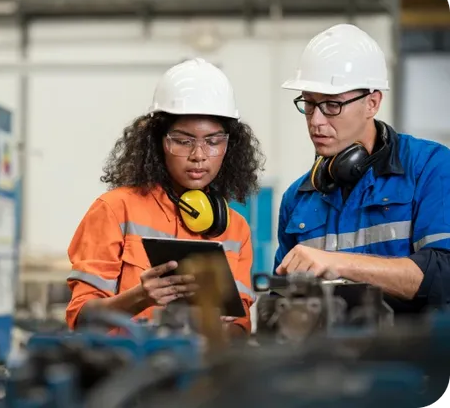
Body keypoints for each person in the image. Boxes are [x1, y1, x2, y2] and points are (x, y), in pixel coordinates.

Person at [65, 58, 264, 336]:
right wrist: (140, 296)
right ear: (158, 142)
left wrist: (215, 329)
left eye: (213, 141)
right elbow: (81, 319)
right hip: (127, 371)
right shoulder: (115, 210)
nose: (199, 155)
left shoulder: (235, 228)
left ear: (230, 145)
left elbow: (241, 328)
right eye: (183, 141)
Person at [274, 23, 450, 314]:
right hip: (326, 358)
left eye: (331, 105)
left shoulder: (430, 168)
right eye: (308, 104)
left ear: (372, 102)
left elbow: (443, 275)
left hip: (412, 356)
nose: (316, 121)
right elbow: (281, 299)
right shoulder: (298, 198)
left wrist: (338, 262)